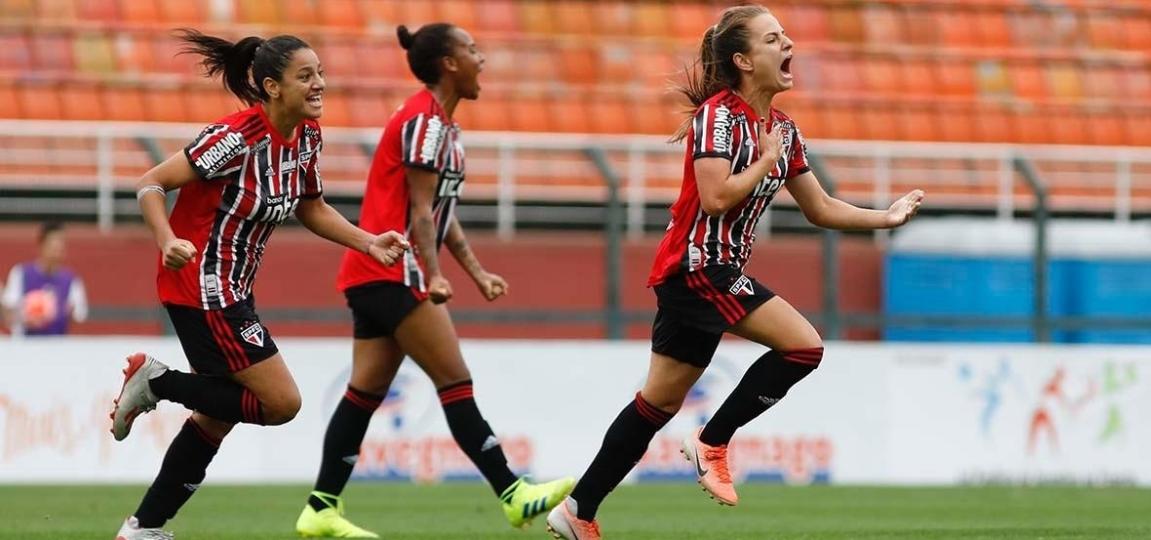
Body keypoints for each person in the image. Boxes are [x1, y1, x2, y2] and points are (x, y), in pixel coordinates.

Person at [546, 5, 925, 539]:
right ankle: (712, 441)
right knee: (803, 347)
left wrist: (883, 217)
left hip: (702, 275)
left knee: (657, 403)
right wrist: (765, 162)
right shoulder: (718, 118)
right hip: (700, 268)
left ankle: (577, 511)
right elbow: (716, 196)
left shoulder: (783, 130)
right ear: (744, 60)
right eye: (774, 39)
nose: (787, 44)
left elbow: (818, 208)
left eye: (786, 35)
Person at [108, 29, 408, 540]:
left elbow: (310, 207)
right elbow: (150, 183)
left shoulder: (307, 137)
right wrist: (165, 238)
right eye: (305, 76)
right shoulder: (235, 138)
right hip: (202, 286)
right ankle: (157, 382)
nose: (319, 84)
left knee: (216, 417)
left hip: (232, 289)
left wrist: (367, 242)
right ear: (272, 86)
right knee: (281, 404)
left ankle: (143, 528)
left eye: (321, 73)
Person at [294, 23, 573, 539]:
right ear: (448, 63)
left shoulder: (439, 126)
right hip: (394, 268)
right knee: (455, 381)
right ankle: (513, 494)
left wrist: (476, 270)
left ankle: (320, 508)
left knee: (365, 390)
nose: (481, 58)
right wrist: (436, 275)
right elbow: (421, 213)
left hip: (375, 272)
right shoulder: (425, 124)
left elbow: (441, 213)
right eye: (472, 49)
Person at [1, 221, 88, 337]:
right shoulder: (22, 273)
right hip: (25, 344)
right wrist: (27, 317)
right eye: (53, 244)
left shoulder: (71, 280)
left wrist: (62, 311)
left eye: (61, 243)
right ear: (42, 245)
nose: (58, 248)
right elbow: (9, 314)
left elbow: (78, 316)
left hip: (57, 346)